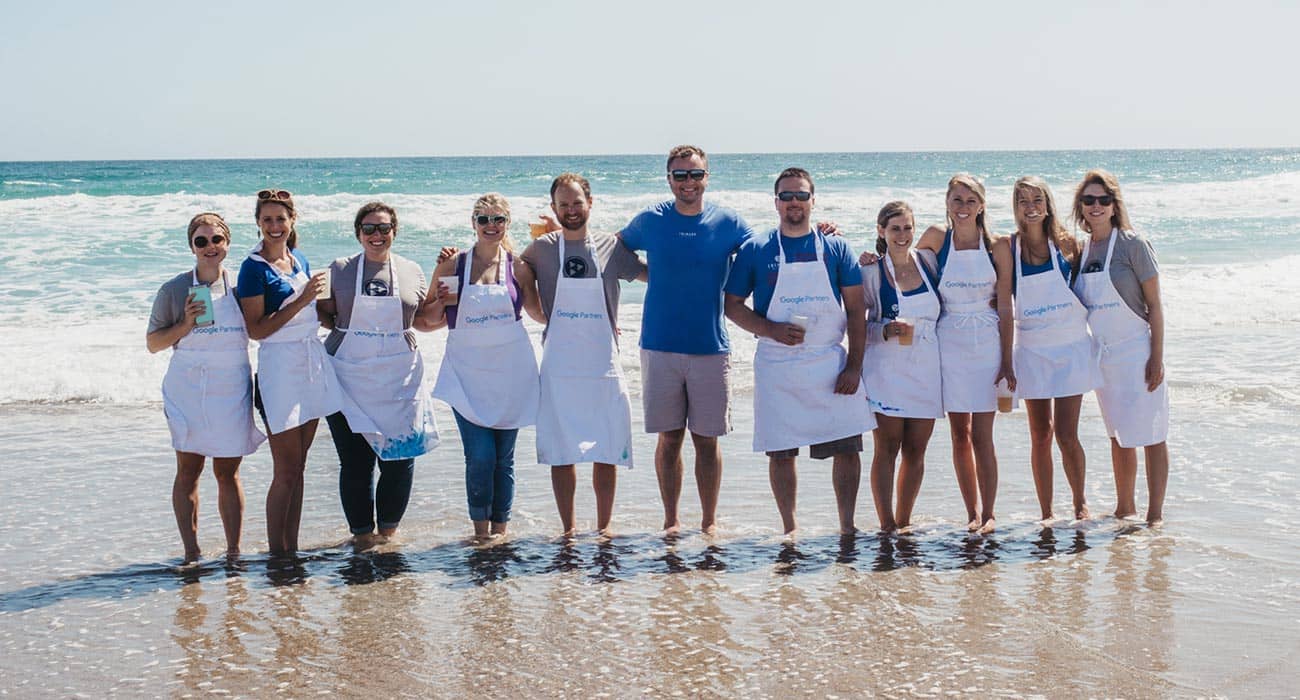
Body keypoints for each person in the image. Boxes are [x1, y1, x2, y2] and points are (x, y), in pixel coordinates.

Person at [723, 168, 874, 535]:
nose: (794, 203)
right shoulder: (757, 249)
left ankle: (847, 526)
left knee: (847, 448)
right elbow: (733, 305)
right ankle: (790, 529)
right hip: (778, 366)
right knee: (780, 451)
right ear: (775, 202)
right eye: (787, 196)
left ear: (813, 200)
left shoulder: (835, 247)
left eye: (801, 196)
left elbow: (856, 311)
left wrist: (854, 367)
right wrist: (771, 329)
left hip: (829, 364)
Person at [617, 145, 753, 535]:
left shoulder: (727, 222)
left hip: (711, 346)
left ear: (707, 177)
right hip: (659, 345)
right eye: (680, 175)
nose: (688, 183)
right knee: (670, 438)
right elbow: (613, 250)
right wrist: (648, 275)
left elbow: (763, 253)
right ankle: (672, 520)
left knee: (707, 441)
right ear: (669, 179)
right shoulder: (651, 220)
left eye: (695, 174)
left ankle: (709, 521)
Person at [515, 173, 647, 537]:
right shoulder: (540, 250)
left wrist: (696, 266)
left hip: (603, 363)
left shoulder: (610, 247)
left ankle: (604, 529)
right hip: (559, 365)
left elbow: (652, 276)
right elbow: (509, 269)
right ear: (553, 209)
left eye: (577, 203)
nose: (571, 210)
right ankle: (569, 531)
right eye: (563, 205)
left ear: (591, 203)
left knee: (607, 448)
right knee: (562, 450)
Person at [318, 202, 441, 546]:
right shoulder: (339, 270)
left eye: (384, 228)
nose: (377, 235)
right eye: (369, 228)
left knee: (399, 461)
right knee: (356, 465)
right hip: (347, 376)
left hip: (398, 378)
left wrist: (445, 281)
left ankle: (387, 538)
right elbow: (324, 313)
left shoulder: (411, 270)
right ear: (358, 233)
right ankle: (361, 539)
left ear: (395, 232)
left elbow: (423, 317)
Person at [147, 212, 264, 563]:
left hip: (231, 387)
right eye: (201, 241)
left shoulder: (244, 287)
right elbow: (153, 343)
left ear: (227, 243)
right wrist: (185, 323)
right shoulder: (174, 289)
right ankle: (192, 553)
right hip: (188, 388)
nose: (210, 247)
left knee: (228, 473)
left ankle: (233, 553)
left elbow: (263, 329)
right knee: (188, 472)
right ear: (191, 247)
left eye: (216, 239)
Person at [425, 193, 539, 542]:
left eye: (498, 219)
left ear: (508, 223)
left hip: (511, 374)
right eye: (483, 219)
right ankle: (479, 533)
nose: (491, 226)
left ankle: (499, 534)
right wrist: (439, 302)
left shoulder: (519, 267)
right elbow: (428, 320)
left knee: (503, 460)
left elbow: (538, 313)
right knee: (480, 457)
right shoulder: (451, 265)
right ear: (472, 223)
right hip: (467, 374)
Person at [237, 189, 344, 555]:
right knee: (284, 470)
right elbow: (257, 329)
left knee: (299, 467)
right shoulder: (252, 268)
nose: (274, 226)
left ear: (292, 220)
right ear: (258, 224)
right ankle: (276, 554)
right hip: (278, 369)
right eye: (267, 219)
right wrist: (302, 299)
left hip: (310, 364)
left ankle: (292, 549)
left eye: (280, 219)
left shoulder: (299, 259)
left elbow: (315, 312)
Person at [1070, 170, 1169, 525]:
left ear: (1114, 206)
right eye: (1089, 200)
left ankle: (1154, 514)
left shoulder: (1132, 245)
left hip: (1137, 351)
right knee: (1118, 435)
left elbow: (1155, 306)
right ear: (1080, 208)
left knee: (1152, 434)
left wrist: (1156, 357)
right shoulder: (1081, 251)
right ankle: (1124, 507)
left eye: (1103, 200)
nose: (1096, 207)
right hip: (1104, 357)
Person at [1010, 176, 1098, 521]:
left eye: (1036, 200)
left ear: (1047, 204)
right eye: (1023, 202)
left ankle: (1079, 501)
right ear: (1015, 208)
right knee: (1040, 434)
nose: (1030, 208)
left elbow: (1085, 290)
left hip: (1070, 349)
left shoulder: (1068, 245)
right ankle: (1046, 511)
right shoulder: (1008, 247)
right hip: (1031, 350)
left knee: (1066, 433)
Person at [860, 201, 944, 532]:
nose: (902, 235)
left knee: (916, 450)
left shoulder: (928, 263)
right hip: (887, 370)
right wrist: (882, 330)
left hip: (925, 368)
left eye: (908, 227)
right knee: (887, 448)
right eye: (895, 228)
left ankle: (905, 521)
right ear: (881, 231)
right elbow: (853, 322)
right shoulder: (870, 272)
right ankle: (886, 525)